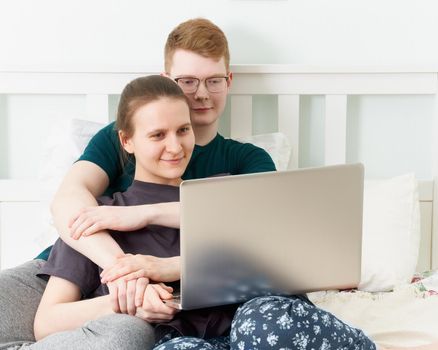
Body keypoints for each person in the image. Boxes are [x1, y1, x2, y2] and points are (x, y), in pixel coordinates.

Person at [0, 18, 275, 348]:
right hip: (78, 261)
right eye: (187, 81)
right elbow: (68, 201)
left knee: (122, 334)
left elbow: (259, 228)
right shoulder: (119, 137)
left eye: (213, 81)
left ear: (229, 81)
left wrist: (145, 218)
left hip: (145, 298)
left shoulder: (244, 159)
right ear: (168, 80)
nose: (201, 94)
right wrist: (128, 274)